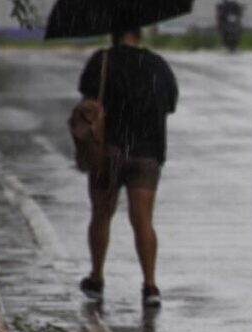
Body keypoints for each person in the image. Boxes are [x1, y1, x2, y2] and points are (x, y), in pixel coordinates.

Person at [77, 26, 178, 307]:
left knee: (101, 214)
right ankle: (150, 286)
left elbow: (88, 101)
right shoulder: (157, 64)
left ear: (113, 32)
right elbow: (170, 104)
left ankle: (96, 278)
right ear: (140, 32)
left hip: (107, 152)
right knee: (143, 220)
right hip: (147, 153)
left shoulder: (102, 61)